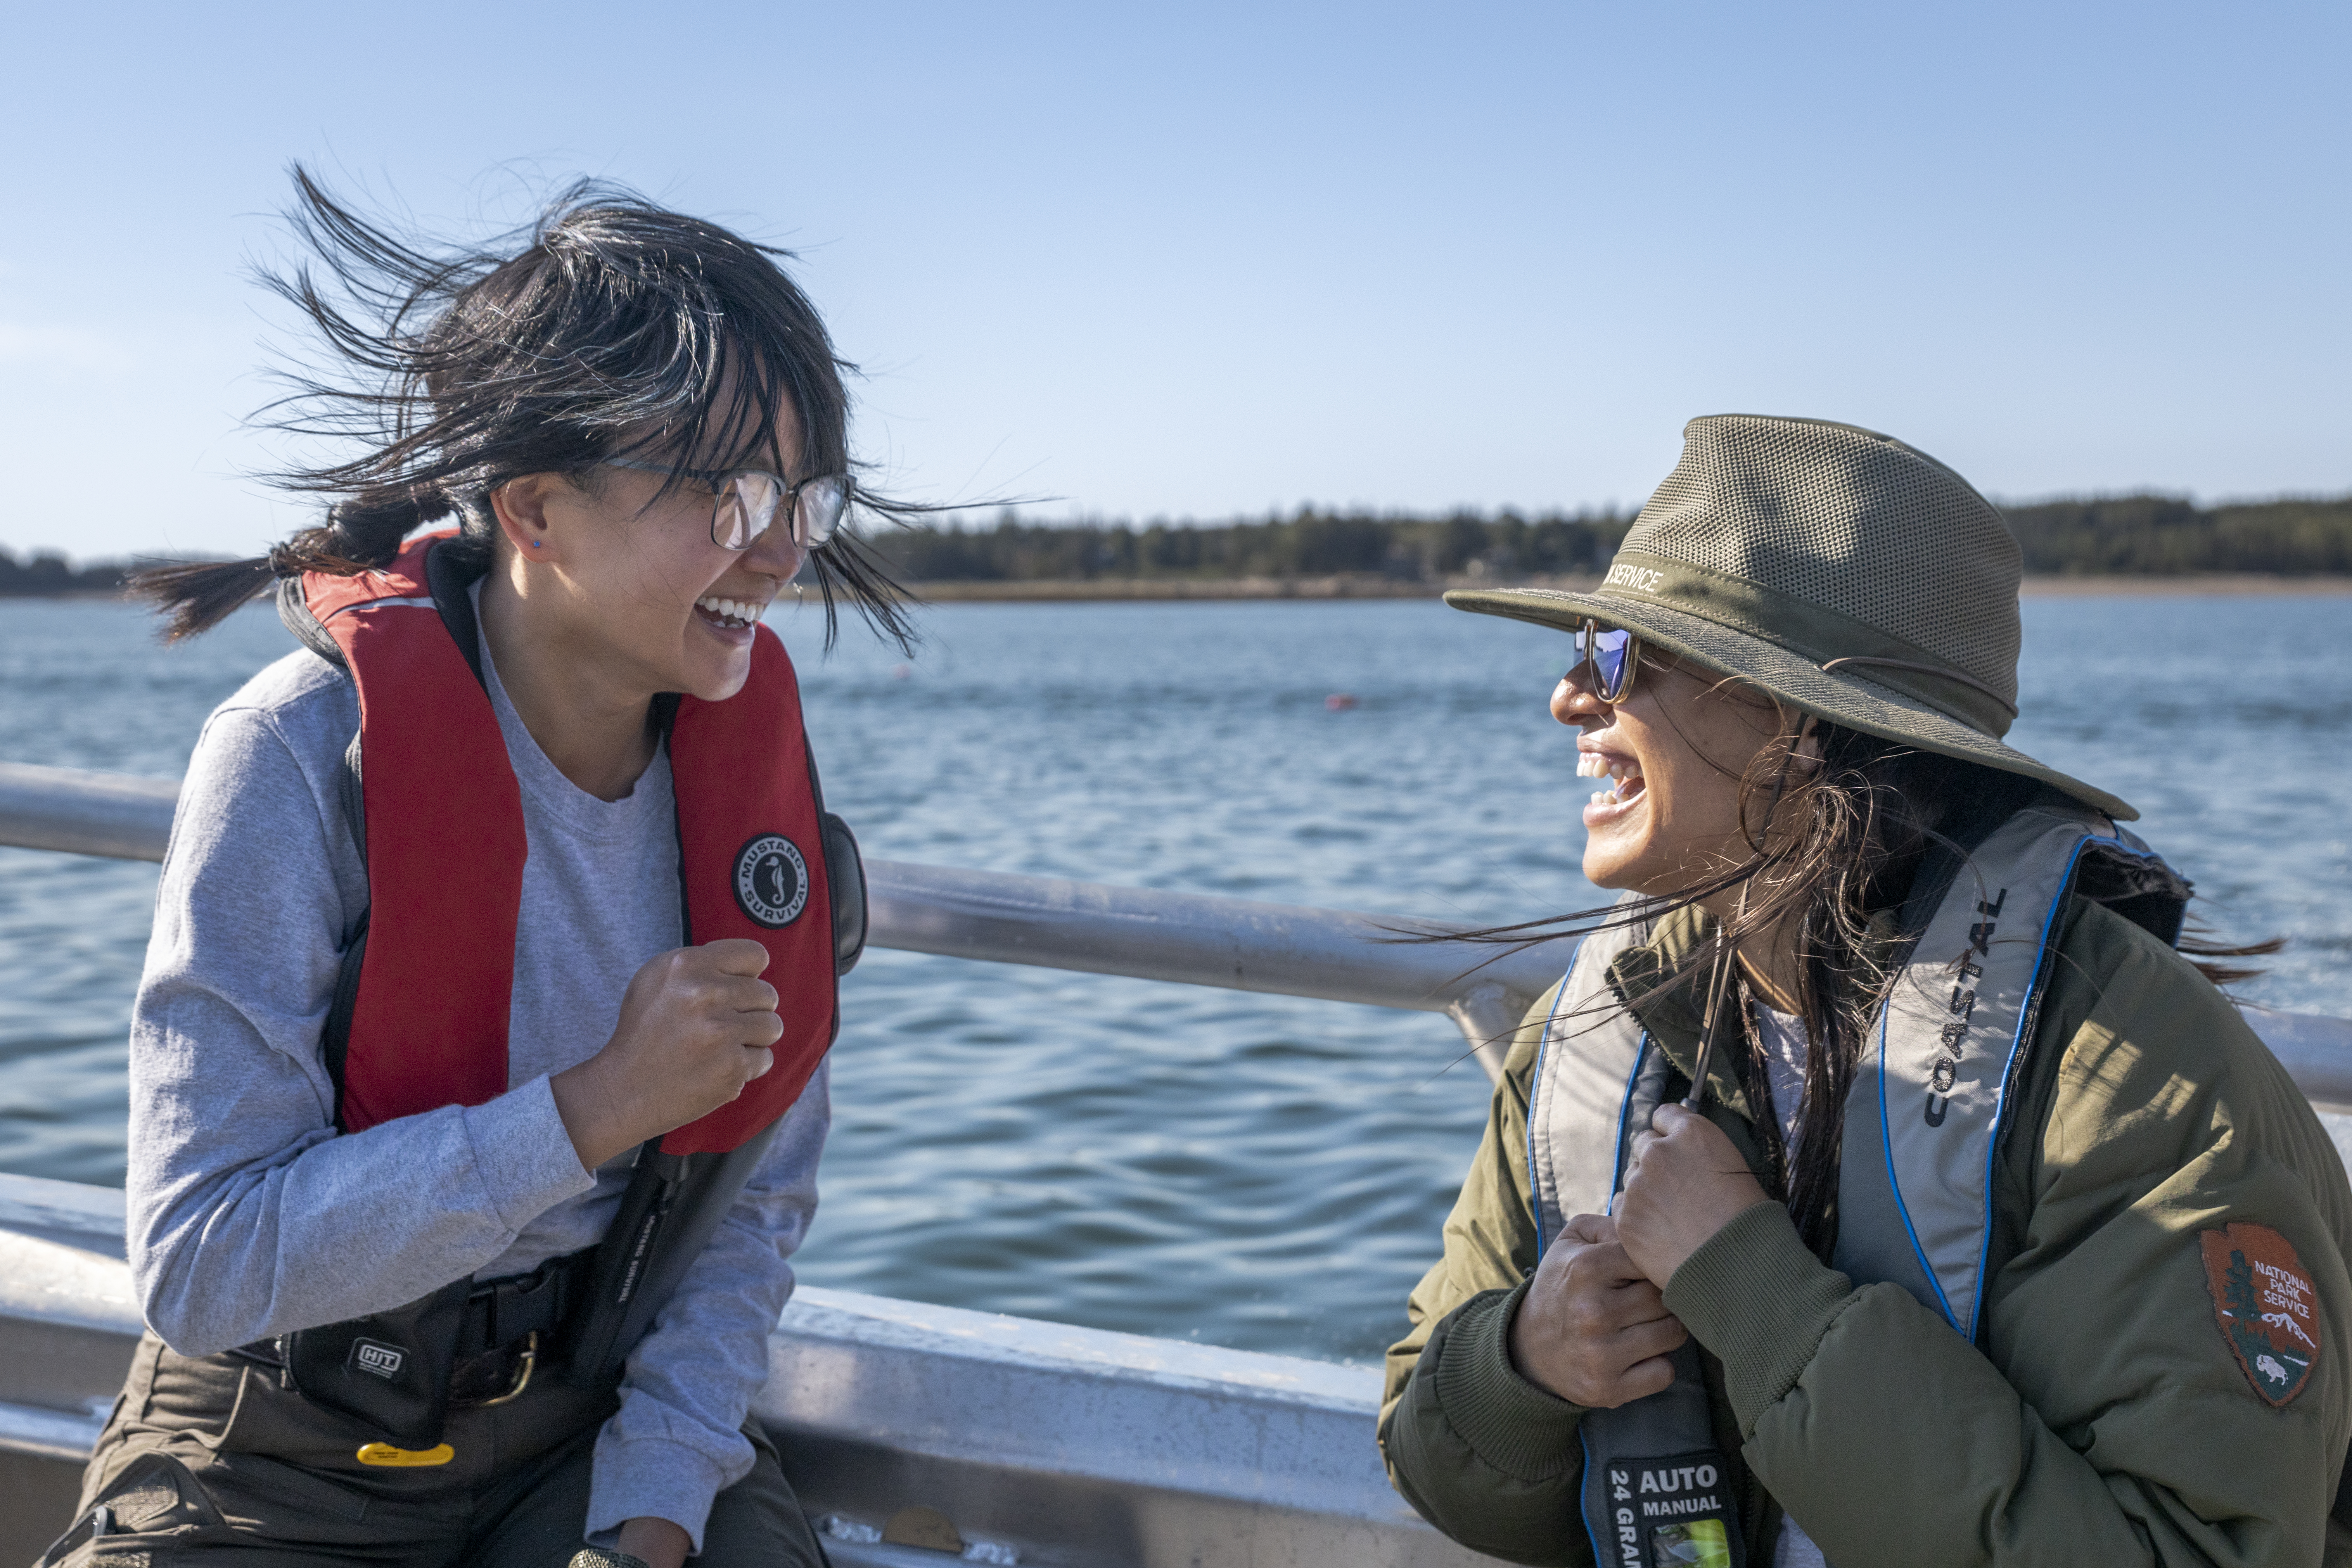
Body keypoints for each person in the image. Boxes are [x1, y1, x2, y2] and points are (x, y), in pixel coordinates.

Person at [38, 170, 922, 1567]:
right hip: (275, 1448)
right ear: (535, 508)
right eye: (729, 489)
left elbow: (744, 1218)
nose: (782, 545)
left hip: (590, 1427)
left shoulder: (754, 819)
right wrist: (587, 1110)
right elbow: (204, 1262)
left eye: (802, 491)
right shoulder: (293, 756)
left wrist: (649, 1522)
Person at [1381, 414, 2352, 1566]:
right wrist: (1524, 1365)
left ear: (1794, 720)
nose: (1567, 698)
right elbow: (1428, 1445)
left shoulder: (2133, 1081)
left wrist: (1756, 1293)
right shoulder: (1608, 1021)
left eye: (1617, 653)